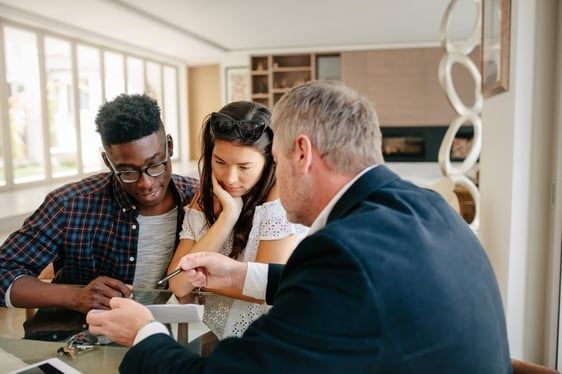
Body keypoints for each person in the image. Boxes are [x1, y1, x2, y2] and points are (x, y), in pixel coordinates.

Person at [87, 81, 511, 373]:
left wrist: (144, 334)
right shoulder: (425, 206)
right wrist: (241, 275)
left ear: (301, 153)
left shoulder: (342, 251)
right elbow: (352, 290)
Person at [0, 94, 197, 314]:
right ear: (108, 162)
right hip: (77, 338)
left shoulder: (198, 199)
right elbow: (3, 271)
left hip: (165, 338)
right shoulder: (71, 204)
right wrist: (75, 296)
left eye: (155, 165)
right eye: (127, 172)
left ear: (169, 146)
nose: (146, 183)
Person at [167, 101, 305, 339]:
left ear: (270, 161)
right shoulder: (207, 196)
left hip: (260, 339)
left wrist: (199, 280)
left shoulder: (279, 198)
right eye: (220, 162)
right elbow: (178, 285)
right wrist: (227, 217)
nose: (230, 178)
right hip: (206, 336)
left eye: (244, 166)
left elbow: (263, 287)